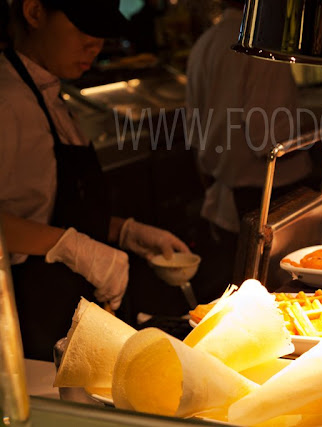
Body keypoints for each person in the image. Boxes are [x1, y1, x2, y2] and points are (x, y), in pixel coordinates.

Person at [0, 0, 190, 361]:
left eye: (102, 32)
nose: (96, 44)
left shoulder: (51, 93)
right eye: (84, 29)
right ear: (34, 12)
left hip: (72, 312)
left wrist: (122, 231)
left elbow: (46, 207)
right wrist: (75, 247)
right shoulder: (7, 101)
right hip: (30, 321)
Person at [186, 0, 311, 287]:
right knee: (277, 297)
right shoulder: (261, 43)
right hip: (268, 201)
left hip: (223, 199)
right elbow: (268, 139)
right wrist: (317, 136)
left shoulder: (205, 43)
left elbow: (194, 134)